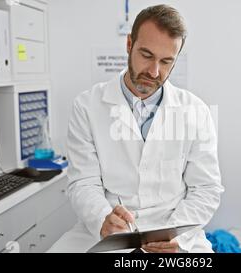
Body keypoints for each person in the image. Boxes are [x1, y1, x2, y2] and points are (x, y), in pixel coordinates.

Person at [50, 4, 223, 253]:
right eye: (146, 55)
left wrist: (178, 236)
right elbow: (83, 182)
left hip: (173, 232)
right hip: (110, 230)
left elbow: (206, 188)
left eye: (166, 61)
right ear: (129, 44)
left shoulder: (196, 112)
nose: (154, 71)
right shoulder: (87, 106)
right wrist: (102, 219)